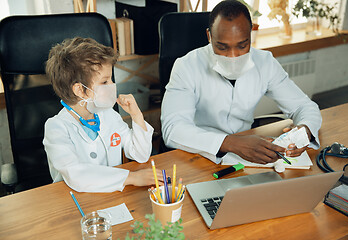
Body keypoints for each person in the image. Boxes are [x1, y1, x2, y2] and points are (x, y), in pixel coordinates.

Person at [161, 0, 322, 165]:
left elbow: (305, 107)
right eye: (222, 47)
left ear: (251, 34)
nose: (233, 56)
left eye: (242, 46)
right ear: (209, 36)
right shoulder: (186, 66)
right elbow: (173, 129)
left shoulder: (265, 62)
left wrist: (305, 130)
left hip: (249, 155)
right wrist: (231, 143)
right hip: (198, 154)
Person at [43, 37, 162, 192]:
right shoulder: (56, 127)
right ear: (80, 90)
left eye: (111, 78)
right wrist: (132, 178)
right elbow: (76, 175)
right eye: (105, 82)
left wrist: (136, 116)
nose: (113, 85)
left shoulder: (108, 115)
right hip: (73, 201)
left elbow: (141, 154)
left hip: (111, 196)